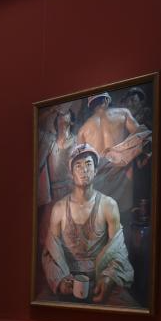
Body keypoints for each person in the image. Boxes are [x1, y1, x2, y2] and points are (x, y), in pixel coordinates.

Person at [42, 144, 134, 305]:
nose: (84, 170)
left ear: (96, 170)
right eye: (78, 165)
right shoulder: (59, 209)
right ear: (71, 173)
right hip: (68, 282)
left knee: (129, 308)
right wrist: (61, 281)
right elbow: (50, 252)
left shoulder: (108, 206)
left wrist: (108, 279)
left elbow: (118, 250)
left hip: (100, 281)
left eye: (88, 164)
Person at [76, 92, 151, 225]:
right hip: (124, 180)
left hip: (99, 185)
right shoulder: (123, 113)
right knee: (123, 223)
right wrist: (124, 156)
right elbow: (144, 138)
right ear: (106, 100)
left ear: (91, 106)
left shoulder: (82, 130)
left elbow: (80, 166)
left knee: (102, 224)